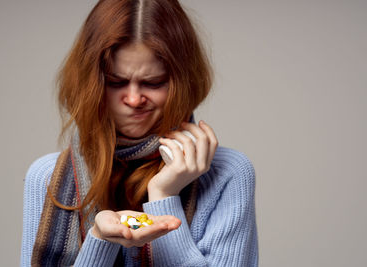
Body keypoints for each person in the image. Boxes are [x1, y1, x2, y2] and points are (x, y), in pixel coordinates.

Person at [21, 0, 258, 266]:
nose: (134, 99)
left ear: (183, 82)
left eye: (153, 82)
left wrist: (164, 196)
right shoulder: (47, 177)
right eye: (116, 82)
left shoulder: (228, 174)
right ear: (91, 84)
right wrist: (99, 240)